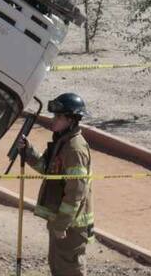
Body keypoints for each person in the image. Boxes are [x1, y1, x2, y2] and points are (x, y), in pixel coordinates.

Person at [17, 92, 94, 276]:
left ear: (71, 120)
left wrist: (61, 224)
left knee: (69, 269)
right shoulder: (63, 142)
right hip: (61, 221)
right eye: (55, 116)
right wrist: (28, 152)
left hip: (72, 226)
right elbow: (48, 170)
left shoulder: (75, 149)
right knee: (58, 267)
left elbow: (76, 192)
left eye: (59, 117)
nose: (54, 120)